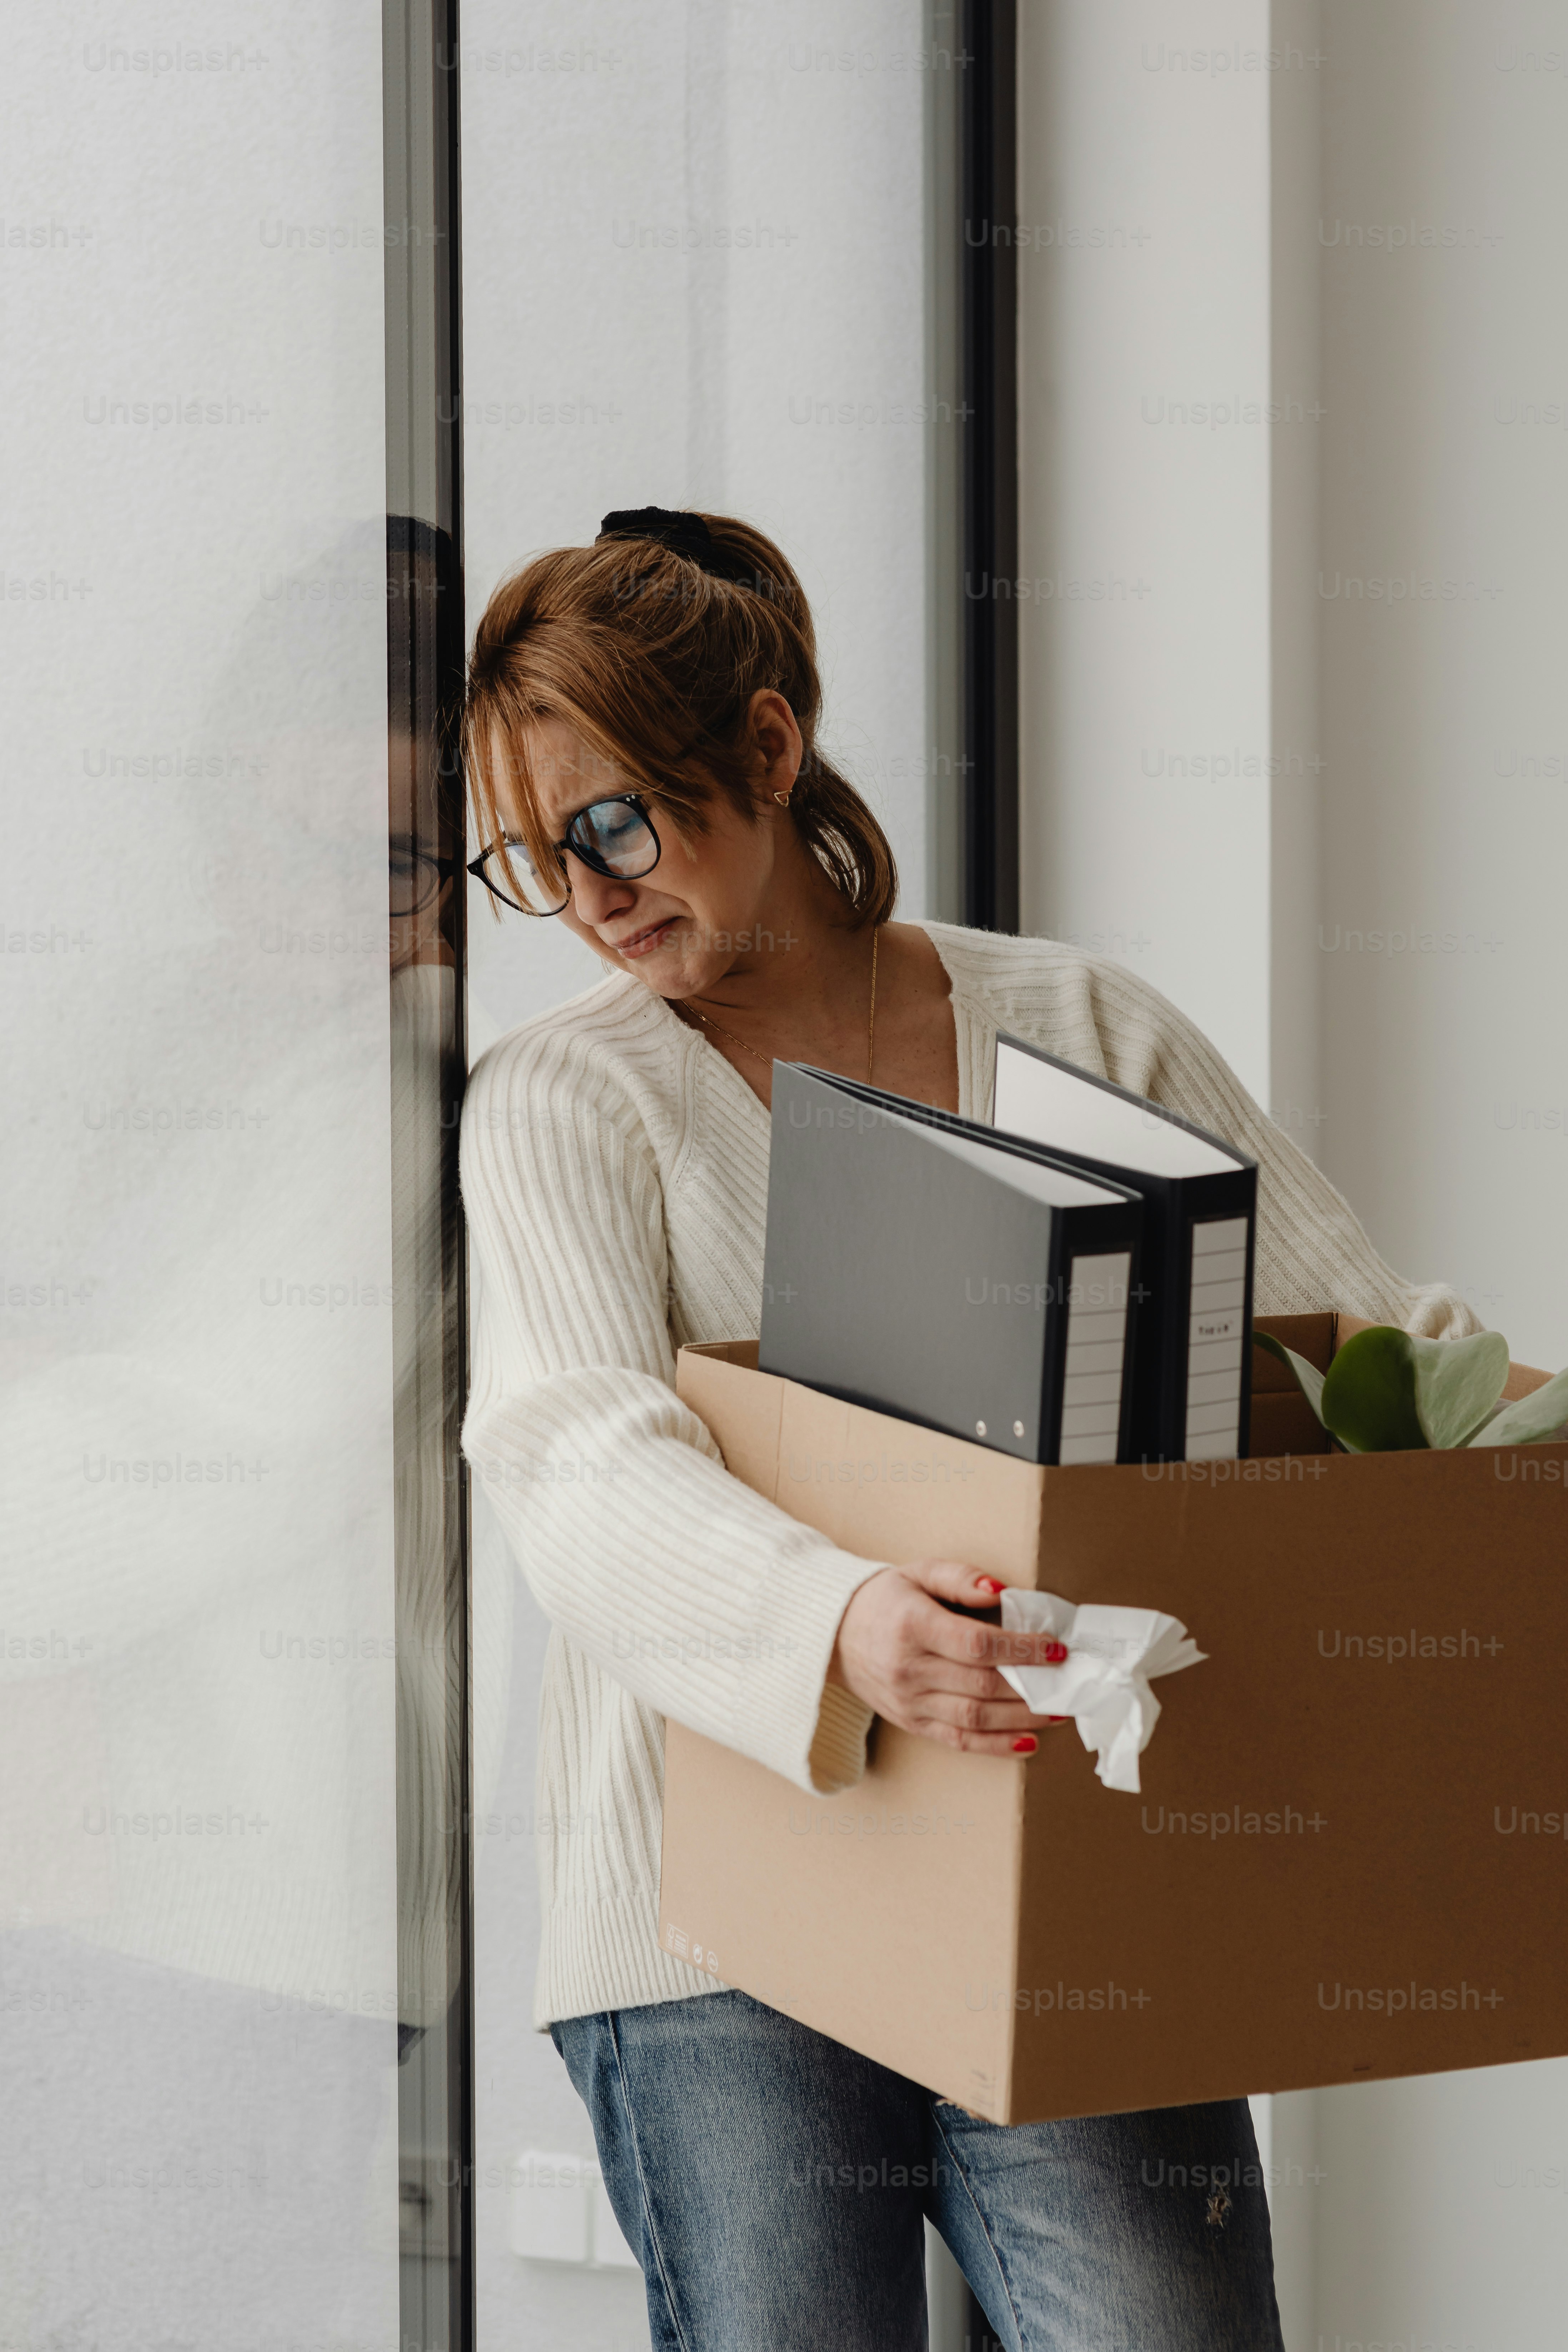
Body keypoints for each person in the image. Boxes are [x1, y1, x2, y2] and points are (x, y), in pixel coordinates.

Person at [458, 508, 1477, 2351]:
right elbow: (572, 1456)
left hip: (1066, 1859)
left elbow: (1356, 1354)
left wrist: (1508, 1454)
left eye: (612, 824)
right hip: (709, 1908)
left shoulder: (1076, 1022)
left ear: (768, 748)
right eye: (535, 861)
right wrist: (838, 1619)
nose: (589, 900)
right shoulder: (563, 1099)